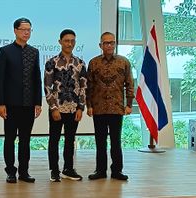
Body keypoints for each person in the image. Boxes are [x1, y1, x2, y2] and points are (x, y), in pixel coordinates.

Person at [0, 17, 42, 183]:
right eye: (23, 29)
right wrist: (1, 103)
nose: (26, 32)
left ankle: (24, 172)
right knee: (9, 139)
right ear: (15, 30)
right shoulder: (5, 51)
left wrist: (38, 102)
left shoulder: (34, 52)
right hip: (10, 104)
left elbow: (37, 78)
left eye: (29, 29)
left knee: (25, 140)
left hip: (28, 104)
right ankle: (10, 171)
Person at [86, 32, 134, 181]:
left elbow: (130, 84)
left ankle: (117, 171)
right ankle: (100, 170)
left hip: (117, 108)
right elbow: (89, 86)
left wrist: (129, 104)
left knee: (116, 141)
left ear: (115, 44)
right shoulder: (93, 63)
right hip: (99, 108)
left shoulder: (124, 62)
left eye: (112, 42)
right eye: (106, 43)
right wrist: (89, 106)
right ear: (100, 45)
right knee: (100, 142)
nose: (109, 45)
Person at [44, 29, 87, 182]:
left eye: (72, 41)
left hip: (74, 108)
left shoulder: (80, 63)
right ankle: (54, 170)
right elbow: (47, 87)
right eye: (67, 40)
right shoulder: (52, 62)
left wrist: (81, 107)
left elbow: (83, 87)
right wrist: (53, 107)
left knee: (70, 139)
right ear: (60, 41)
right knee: (54, 139)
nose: (70, 43)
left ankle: (68, 169)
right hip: (57, 108)